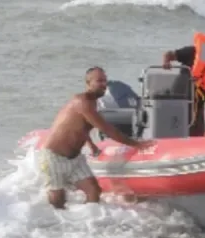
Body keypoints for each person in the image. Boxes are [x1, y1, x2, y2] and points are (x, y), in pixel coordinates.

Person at [39, 67, 156, 209]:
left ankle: (88, 222)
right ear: (88, 83)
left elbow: (79, 126)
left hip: (75, 158)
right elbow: (107, 129)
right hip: (55, 156)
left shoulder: (93, 102)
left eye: (105, 80)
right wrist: (136, 144)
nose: (104, 84)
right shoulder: (82, 102)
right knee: (58, 198)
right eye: (99, 80)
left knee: (93, 190)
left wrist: (90, 144)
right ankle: (57, 225)